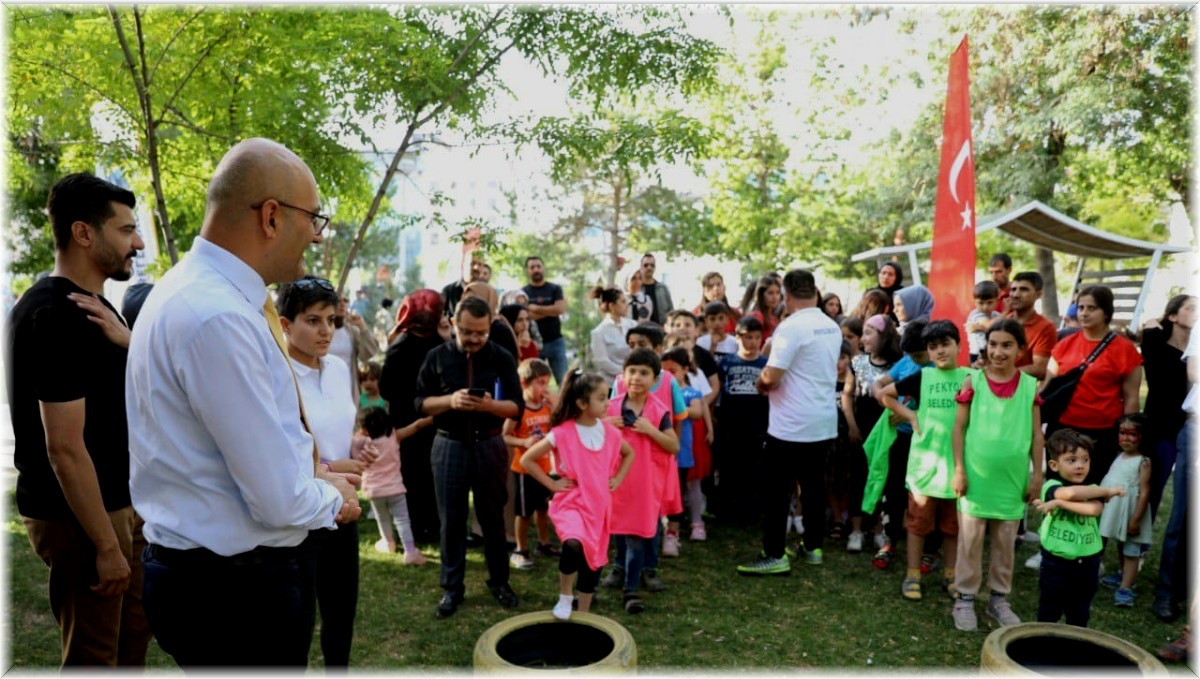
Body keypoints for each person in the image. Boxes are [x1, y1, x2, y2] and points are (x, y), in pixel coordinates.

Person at [126, 138, 361, 667]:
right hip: (233, 593)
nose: (318, 236)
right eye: (314, 218)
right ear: (272, 217)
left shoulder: (196, 292)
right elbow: (275, 498)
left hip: (214, 580)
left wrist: (315, 474)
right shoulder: (219, 316)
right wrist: (333, 496)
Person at [6, 172, 152, 667]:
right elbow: (64, 448)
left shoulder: (96, 308)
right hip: (81, 517)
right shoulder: (53, 314)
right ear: (83, 233)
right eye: (125, 229)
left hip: (119, 503)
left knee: (134, 636)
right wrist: (105, 545)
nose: (137, 243)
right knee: (94, 658)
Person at [414, 296, 523, 618]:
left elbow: (517, 405)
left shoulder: (502, 356)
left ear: (490, 326)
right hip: (448, 445)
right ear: (454, 324)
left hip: (490, 445)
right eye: (467, 332)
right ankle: (452, 588)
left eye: (481, 332)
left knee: (492, 518)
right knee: (451, 520)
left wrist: (490, 406)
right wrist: (450, 401)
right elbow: (419, 403)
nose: (474, 339)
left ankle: (500, 582)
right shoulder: (436, 356)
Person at [276, 275, 366, 668]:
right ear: (285, 324)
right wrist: (332, 466)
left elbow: (340, 424)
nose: (325, 330)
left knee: (341, 613)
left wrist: (358, 445)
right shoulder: (277, 376)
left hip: (343, 507)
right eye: (313, 320)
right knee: (296, 624)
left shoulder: (338, 367)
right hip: (300, 514)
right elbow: (276, 453)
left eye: (330, 319)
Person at [737, 269, 842, 576]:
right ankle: (812, 547)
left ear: (787, 295)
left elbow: (772, 375)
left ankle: (773, 553)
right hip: (823, 419)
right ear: (816, 292)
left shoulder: (790, 327)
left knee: (776, 489)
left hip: (791, 424)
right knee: (812, 487)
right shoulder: (830, 325)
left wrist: (760, 380)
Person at [949, 319, 1043, 632]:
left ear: (1021, 349)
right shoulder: (972, 381)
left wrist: (1037, 476)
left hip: (1012, 482)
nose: (998, 352)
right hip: (976, 480)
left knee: (1005, 543)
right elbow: (958, 428)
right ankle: (964, 598)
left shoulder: (1030, 386)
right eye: (993, 345)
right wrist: (959, 470)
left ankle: (998, 599)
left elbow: (1036, 436)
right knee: (971, 542)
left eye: (1006, 345)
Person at [520, 369, 635, 620]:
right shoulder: (562, 433)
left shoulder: (611, 434)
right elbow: (528, 459)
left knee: (592, 563)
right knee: (573, 544)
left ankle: (583, 614)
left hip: (599, 507)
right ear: (583, 403)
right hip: (571, 504)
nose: (608, 403)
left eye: (608, 397)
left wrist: (618, 478)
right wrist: (552, 485)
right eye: (602, 398)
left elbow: (629, 454)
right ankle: (564, 596)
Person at [878, 320, 970, 602]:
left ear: (958, 345)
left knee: (953, 526)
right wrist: (911, 415)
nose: (940, 351)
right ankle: (912, 574)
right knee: (917, 524)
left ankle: (951, 575)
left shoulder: (971, 377)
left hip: (958, 466)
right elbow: (886, 394)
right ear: (927, 352)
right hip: (925, 467)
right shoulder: (922, 377)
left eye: (945, 344)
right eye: (933, 347)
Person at [604, 348, 679, 613]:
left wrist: (649, 430)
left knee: (636, 534)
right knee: (618, 529)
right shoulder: (609, 407)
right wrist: (605, 425)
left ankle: (631, 588)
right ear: (622, 375)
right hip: (616, 481)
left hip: (645, 485)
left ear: (655, 379)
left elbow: (673, 446)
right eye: (632, 371)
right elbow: (586, 435)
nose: (637, 377)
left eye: (644, 373)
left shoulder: (659, 412)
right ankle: (620, 567)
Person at [1044, 285, 1142, 484]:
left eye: (1091, 308)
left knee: (1093, 490)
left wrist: (1127, 435)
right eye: (1081, 308)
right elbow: (1047, 387)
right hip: (1062, 429)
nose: (1084, 313)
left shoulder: (1125, 350)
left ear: (1106, 312)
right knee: (1057, 488)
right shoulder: (1064, 344)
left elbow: (1131, 397)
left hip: (1102, 433)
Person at [1033, 429, 1124, 627]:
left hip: (1088, 563)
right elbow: (1070, 494)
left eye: (1085, 460)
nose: (1080, 466)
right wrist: (1107, 491)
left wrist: (1059, 504)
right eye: (1072, 460)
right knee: (1049, 612)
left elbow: (1094, 509)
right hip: (1056, 563)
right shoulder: (1051, 485)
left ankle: (1073, 652)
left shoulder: (1092, 487)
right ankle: (1041, 650)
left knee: (1079, 614)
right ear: (1054, 465)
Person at [378, 290, 444, 544]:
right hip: (432, 419)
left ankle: (418, 527)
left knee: (413, 475)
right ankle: (433, 525)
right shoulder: (441, 344)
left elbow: (386, 388)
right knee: (430, 474)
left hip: (408, 422)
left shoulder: (400, 346)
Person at [868, 320, 931, 570]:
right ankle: (890, 538)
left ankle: (929, 547)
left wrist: (906, 413)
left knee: (924, 494)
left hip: (926, 441)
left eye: (919, 355)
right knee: (893, 488)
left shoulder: (936, 369)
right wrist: (889, 404)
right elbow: (879, 385)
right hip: (901, 437)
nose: (915, 360)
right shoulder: (907, 362)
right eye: (911, 356)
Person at [842, 314, 901, 553]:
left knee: (883, 478)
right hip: (862, 429)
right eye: (863, 333)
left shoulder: (898, 363)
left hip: (886, 430)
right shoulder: (857, 363)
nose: (863, 338)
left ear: (884, 336)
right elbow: (847, 394)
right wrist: (852, 425)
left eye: (869, 333)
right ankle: (856, 530)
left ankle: (878, 529)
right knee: (859, 477)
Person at [1139, 295, 1196, 521]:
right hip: (1160, 429)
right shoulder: (1155, 343)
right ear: (1173, 316)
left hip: (1188, 427)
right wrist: (1155, 322)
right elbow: (1151, 324)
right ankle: (1137, 549)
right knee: (1151, 487)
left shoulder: (1196, 356)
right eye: (1191, 309)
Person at [713, 316, 770, 524]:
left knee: (754, 469)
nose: (752, 342)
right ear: (737, 337)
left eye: (756, 338)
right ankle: (727, 511)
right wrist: (712, 413)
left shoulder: (766, 364)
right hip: (730, 422)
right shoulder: (727, 362)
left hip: (757, 424)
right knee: (729, 468)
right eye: (747, 337)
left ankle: (751, 512)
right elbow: (717, 389)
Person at [503, 358, 558, 570]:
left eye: (547, 383)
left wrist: (554, 405)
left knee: (543, 509)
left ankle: (544, 544)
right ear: (525, 384)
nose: (544, 388)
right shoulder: (518, 409)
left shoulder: (546, 407)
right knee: (524, 513)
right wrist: (523, 441)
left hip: (544, 468)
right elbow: (505, 436)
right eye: (540, 383)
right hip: (524, 470)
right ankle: (520, 549)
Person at [353, 407, 426, 564]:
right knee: (402, 519)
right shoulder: (393, 437)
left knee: (383, 518)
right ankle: (410, 551)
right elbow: (416, 426)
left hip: (374, 491)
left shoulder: (360, 443)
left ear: (363, 428)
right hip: (395, 489)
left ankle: (388, 543)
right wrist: (433, 418)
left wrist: (360, 434)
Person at [1097, 413, 1153, 607]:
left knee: (1131, 549)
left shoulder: (1143, 461)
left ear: (1141, 437)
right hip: (1117, 509)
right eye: (1122, 433)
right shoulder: (1119, 456)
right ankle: (1123, 577)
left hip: (1131, 512)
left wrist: (1136, 519)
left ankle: (1126, 588)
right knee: (1121, 545)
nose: (1126, 438)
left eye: (1132, 434)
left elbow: (1145, 492)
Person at [661, 347, 711, 548]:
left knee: (683, 488)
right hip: (662, 453)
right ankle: (663, 527)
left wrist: (676, 407)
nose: (668, 376)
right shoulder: (658, 393)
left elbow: (697, 412)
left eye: (672, 371)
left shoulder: (691, 392)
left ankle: (686, 527)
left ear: (684, 370)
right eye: (663, 372)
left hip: (682, 453)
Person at [998, 272, 1057, 379]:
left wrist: (1002, 373)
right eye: (1013, 289)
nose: (1016, 295)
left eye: (1024, 289)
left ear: (1038, 295)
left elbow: (1040, 369)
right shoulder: (1002, 322)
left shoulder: (1046, 328)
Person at [523, 256, 568, 386]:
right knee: (534, 383)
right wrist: (550, 311)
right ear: (527, 271)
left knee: (564, 381)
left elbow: (559, 309)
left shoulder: (555, 289)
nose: (536, 269)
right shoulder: (523, 292)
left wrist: (535, 308)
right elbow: (527, 316)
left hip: (556, 342)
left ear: (543, 268)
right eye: (532, 267)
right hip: (533, 344)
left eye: (538, 266)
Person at [330, 295, 380, 404]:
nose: (342, 303)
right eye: (338, 300)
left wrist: (362, 327)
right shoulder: (322, 330)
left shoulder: (352, 331)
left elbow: (367, 354)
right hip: (324, 388)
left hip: (348, 389)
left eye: (345, 300)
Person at [589, 285, 637, 384]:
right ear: (612, 306)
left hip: (634, 381)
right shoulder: (599, 332)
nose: (627, 304)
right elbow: (602, 362)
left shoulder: (633, 325)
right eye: (623, 301)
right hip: (612, 383)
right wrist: (626, 373)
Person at [463, 282, 519, 362]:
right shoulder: (461, 327)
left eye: (473, 300)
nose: (468, 305)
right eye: (465, 300)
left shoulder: (498, 329)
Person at [964, 281, 1001, 364]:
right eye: (981, 303)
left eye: (989, 302)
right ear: (974, 302)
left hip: (991, 353)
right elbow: (988, 325)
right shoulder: (975, 314)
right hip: (977, 354)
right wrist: (1006, 312)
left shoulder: (996, 315)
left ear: (996, 300)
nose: (985, 307)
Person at [637, 253, 674, 326]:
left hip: (661, 330)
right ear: (641, 267)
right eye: (646, 265)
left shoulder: (663, 288)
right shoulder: (637, 289)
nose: (649, 268)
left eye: (652, 265)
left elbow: (671, 311)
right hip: (642, 330)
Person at [749, 275, 784, 341]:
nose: (775, 297)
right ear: (761, 295)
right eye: (770, 293)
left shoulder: (776, 316)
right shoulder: (757, 316)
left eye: (778, 292)